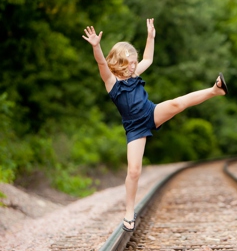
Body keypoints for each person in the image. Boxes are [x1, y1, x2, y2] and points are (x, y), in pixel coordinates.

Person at [82, 20, 227, 231]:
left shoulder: (135, 75)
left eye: (134, 62)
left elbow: (149, 58)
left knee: (178, 103)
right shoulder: (111, 82)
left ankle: (215, 90)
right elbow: (102, 64)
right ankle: (128, 212)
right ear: (120, 60)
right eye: (130, 62)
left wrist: (150, 36)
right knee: (134, 171)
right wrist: (96, 47)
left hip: (151, 113)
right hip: (134, 128)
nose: (134, 65)